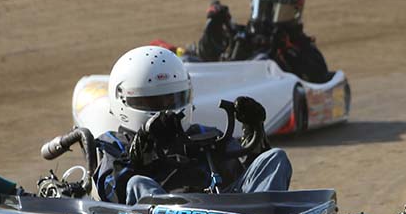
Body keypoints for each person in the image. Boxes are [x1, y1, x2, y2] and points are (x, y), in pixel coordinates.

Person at [94, 45, 293, 204]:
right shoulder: (114, 144)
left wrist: (255, 139)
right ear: (122, 100)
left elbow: (241, 178)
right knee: (138, 183)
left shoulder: (204, 134)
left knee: (274, 158)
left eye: (173, 99)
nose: (167, 110)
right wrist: (138, 159)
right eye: (154, 102)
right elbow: (111, 194)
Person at [189, 0, 331, 83]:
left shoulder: (301, 48)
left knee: (262, 59)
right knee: (186, 60)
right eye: (263, 8)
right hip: (225, 93)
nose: (266, 17)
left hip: (270, 98)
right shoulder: (241, 37)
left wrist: (283, 52)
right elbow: (206, 58)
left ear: (295, 11)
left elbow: (318, 78)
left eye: (277, 11)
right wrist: (213, 28)